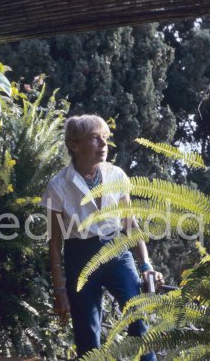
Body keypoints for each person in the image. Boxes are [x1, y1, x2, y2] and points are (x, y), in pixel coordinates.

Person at [40, 114, 163, 359]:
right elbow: (54, 243)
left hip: (117, 251)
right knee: (87, 337)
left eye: (105, 138)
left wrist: (146, 265)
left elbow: (130, 224)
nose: (103, 144)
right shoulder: (58, 186)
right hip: (80, 257)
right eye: (95, 138)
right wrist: (59, 289)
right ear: (74, 145)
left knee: (138, 319)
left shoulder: (117, 175)